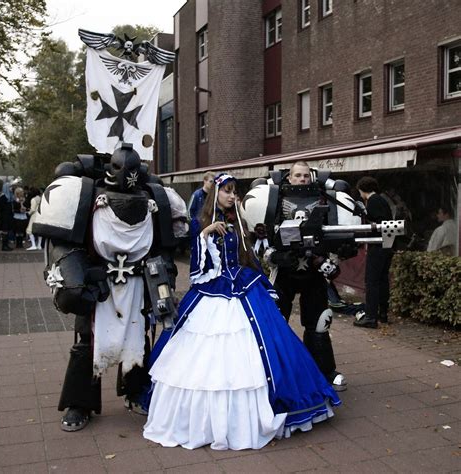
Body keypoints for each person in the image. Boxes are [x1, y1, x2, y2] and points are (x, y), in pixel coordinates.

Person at [141, 173, 340, 451]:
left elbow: (250, 257)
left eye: (235, 192)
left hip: (244, 286)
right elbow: (199, 270)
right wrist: (206, 234)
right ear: (217, 194)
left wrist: (256, 239)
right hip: (213, 288)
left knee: (269, 342)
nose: (232, 196)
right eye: (227, 191)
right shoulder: (201, 222)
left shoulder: (239, 222)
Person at [34, 144, 179, 432]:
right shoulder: (88, 197)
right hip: (98, 283)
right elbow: (67, 244)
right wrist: (78, 277)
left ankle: (135, 391)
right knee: (87, 340)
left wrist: (163, 278)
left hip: (137, 283)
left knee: (138, 337)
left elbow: (164, 246)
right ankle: (80, 402)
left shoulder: (154, 199)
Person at [259, 161, 349, 391]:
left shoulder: (325, 199)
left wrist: (330, 260)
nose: (301, 179)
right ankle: (271, 372)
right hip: (284, 272)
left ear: (312, 178)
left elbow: (337, 237)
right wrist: (275, 256)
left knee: (319, 323)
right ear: (289, 178)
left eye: (305, 176)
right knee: (276, 321)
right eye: (297, 175)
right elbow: (258, 240)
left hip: (314, 271)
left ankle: (324, 371)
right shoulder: (273, 200)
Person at [354, 176, 393, 328]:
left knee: (372, 281)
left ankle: (371, 316)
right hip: (387, 244)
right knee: (382, 280)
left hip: (378, 245)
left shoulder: (374, 201)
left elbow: (376, 222)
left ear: (362, 190)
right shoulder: (382, 200)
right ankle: (382, 313)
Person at [0, 182, 14, 251]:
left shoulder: (8, 196)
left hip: (7, 217)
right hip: (4, 217)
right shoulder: (3, 197)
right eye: (9, 187)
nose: (10, 188)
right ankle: (4, 246)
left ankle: (6, 245)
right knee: (4, 231)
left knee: (6, 231)